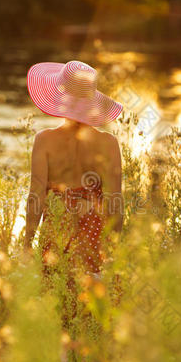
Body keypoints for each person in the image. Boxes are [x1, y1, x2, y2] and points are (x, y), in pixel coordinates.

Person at [23, 60, 124, 275]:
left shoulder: (45, 140)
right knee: (91, 301)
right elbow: (115, 203)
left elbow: (36, 197)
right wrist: (115, 250)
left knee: (55, 299)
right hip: (93, 240)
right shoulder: (109, 143)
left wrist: (26, 245)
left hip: (56, 234)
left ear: (60, 96)